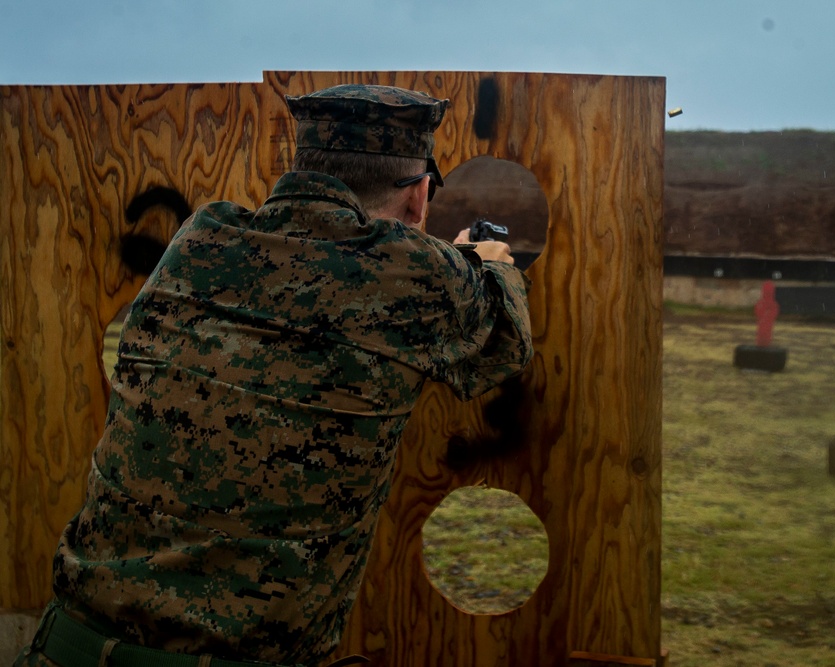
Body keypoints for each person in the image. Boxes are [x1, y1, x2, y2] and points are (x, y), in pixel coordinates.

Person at [15, 84, 533, 667]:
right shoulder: (413, 270)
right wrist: (487, 265)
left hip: (65, 646)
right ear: (417, 199)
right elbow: (504, 347)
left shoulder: (200, 237)